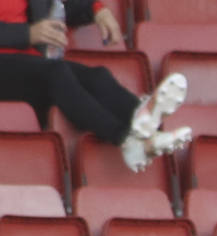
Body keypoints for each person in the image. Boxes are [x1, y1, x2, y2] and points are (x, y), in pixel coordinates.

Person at [0, 1, 191, 172]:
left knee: (97, 77)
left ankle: (149, 128)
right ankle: (124, 139)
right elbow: (33, 31)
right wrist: (28, 33)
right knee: (56, 73)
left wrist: (97, 10)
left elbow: (55, 10)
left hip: (31, 66)